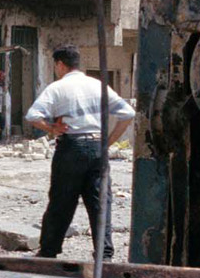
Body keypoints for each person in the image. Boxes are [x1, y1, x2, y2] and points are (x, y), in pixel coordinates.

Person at [24, 45, 137, 259]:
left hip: (71, 147)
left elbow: (33, 116)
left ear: (60, 65)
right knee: (100, 202)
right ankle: (104, 255)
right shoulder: (98, 85)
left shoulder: (57, 88)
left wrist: (51, 128)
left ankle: (48, 252)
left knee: (61, 201)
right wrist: (108, 142)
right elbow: (128, 113)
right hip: (96, 147)